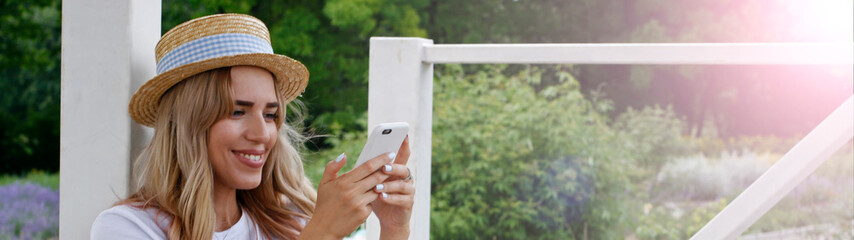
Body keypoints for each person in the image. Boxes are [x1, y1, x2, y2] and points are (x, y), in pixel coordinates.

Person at [90, 13, 415, 240]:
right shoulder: (128, 229)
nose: (262, 135)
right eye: (236, 112)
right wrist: (322, 233)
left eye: (271, 115)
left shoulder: (289, 223)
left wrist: (394, 230)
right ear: (186, 123)